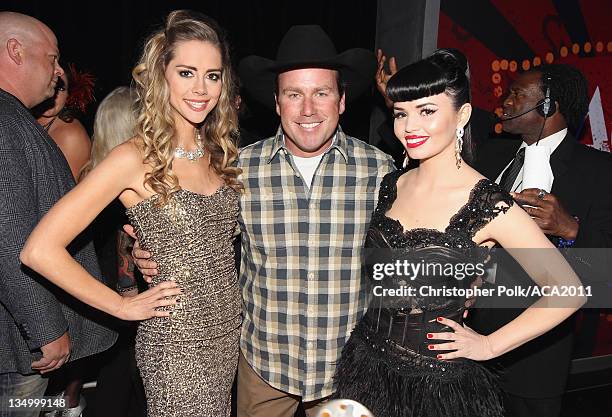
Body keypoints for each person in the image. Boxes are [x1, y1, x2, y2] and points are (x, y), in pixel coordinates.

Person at [131, 25, 396, 417]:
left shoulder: (379, 170)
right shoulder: (237, 170)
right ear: (276, 102)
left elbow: (411, 250)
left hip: (348, 370)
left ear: (341, 101)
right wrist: (146, 248)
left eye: (321, 93)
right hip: (264, 367)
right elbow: (197, 233)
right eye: (294, 94)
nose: (308, 109)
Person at [331, 48, 584, 417]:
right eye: (401, 112)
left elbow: (568, 290)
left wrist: (488, 346)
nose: (409, 127)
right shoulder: (392, 184)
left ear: (462, 115)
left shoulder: (487, 203)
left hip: (435, 388)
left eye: (427, 111)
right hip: (367, 365)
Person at [19, 10, 241, 417]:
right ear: (162, 75)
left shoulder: (219, 154)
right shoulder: (133, 157)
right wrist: (121, 306)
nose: (202, 88)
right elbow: (39, 249)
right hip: (177, 343)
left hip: (227, 331)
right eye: (187, 72)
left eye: (213, 75)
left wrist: (146, 250)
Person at [470, 64, 612, 417]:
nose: (506, 100)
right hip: (469, 336)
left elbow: (605, 273)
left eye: (518, 93)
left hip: (536, 353)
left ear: (549, 106)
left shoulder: (599, 171)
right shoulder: (492, 153)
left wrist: (571, 230)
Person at [0, 11, 116, 417]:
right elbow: (9, 234)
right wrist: (45, 329)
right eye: (51, 58)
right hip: (17, 347)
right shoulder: (4, 121)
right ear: (15, 51)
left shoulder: (13, 118)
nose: (56, 71)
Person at [32, 64, 94, 179]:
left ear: (68, 96)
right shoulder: (24, 119)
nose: (53, 93)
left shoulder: (71, 134)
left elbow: (70, 191)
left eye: (61, 88)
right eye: (50, 84)